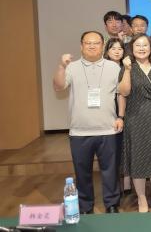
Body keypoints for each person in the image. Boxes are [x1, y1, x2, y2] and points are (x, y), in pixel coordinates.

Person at [53, 31, 123, 214]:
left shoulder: (114, 67)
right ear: (81, 46)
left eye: (96, 43)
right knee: (82, 171)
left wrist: (120, 117)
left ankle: (112, 203)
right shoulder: (71, 67)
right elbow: (59, 86)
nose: (92, 46)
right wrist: (61, 66)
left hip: (108, 129)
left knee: (110, 170)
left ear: (103, 45)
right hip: (79, 131)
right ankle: (85, 206)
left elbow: (121, 94)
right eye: (88, 43)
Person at [118, 34, 151, 213]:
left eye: (145, 45)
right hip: (135, 119)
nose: (141, 48)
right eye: (138, 45)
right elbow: (124, 92)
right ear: (132, 49)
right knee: (138, 160)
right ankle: (141, 198)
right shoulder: (127, 68)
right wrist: (127, 70)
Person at [104, 38, 131, 194]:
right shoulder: (102, 68)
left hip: (127, 110)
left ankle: (127, 182)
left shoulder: (127, 67)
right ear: (107, 51)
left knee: (125, 147)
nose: (116, 51)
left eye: (120, 48)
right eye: (113, 48)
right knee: (112, 149)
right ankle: (115, 184)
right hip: (109, 110)